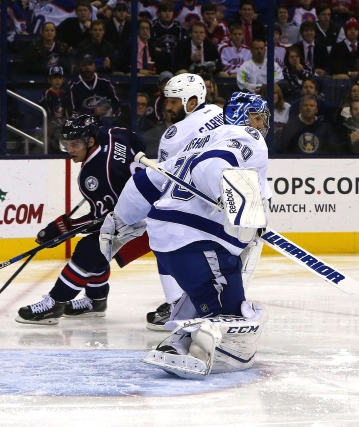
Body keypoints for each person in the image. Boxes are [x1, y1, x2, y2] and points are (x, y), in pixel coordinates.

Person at [100, 92, 271, 377]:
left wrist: (121, 221)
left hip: (166, 239)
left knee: (203, 293)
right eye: (257, 116)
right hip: (200, 237)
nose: (261, 124)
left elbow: (144, 181)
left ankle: (178, 341)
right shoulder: (249, 138)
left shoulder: (197, 142)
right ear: (244, 117)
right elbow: (212, 167)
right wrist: (232, 202)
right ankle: (207, 339)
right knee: (231, 312)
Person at [16, 114, 147, 325]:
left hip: (144, 221)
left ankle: (55, 303)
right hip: (151, 205)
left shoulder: (94, 174)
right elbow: (139, 142)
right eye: (66, 144)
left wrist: (62, 228)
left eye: (75, 144)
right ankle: (96, 301)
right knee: (102, 245)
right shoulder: (113, 133)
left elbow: (104, 220)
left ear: (91, 141)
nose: (70, 149)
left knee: (91, 248)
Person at [147, 73, 224, 330]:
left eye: (173, 102)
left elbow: (163, 181)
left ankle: (176, 304)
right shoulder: (218, 112)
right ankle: (211, 301)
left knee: (162, 235)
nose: (167, 107)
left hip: (193, 208)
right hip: (223, 202)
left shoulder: (173, 135)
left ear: (191, 102)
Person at [68, 55, 121, 120]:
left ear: (95, 66)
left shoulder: (105, 82)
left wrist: (112, 112)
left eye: (90, 64)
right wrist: (92, 112)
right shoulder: (73, 85)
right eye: (84, 65)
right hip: (83, 123)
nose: (87, 67)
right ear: (79, 66)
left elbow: (116, 102)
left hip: (104, 121)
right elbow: (72, 109)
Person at [150, 0, 186, 74]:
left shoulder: (178, 27)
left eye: (170, 11)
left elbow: (181, 44)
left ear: (173, 13)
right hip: (158, 57)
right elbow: (150, 44)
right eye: (164, 11)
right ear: (159, 13)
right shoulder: (153, 26)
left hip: (175, 57)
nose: (167, 13)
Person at [39, 66, 68, 153]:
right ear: (49, 80)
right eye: (54, 78)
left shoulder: (65, 94)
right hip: (51, 122)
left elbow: (68, 111)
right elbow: (44, 112)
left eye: (59, 78)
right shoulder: (47, 94)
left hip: (64, 121)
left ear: (63, 80)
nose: (57, 80)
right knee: (58, 136)